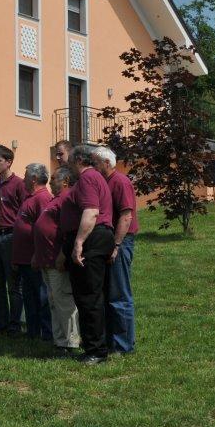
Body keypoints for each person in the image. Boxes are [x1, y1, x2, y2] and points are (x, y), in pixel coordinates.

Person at [58, 144, 114, 364]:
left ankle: (97, 351)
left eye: (70, 161)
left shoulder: (88, 178)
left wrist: (79, 242)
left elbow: (91, 212)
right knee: (87, 295)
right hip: (94, 238)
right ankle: (94, 346)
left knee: (89, 296)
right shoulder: (92, 178)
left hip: (92, 238)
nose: (67, 165)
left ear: (79, 160)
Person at [92, 146, 139, 355]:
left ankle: (123, 345)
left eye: (95, 163)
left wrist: (117, 245)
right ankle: (112, 341)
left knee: (119, 294)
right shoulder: (104, 182)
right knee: (109, 293)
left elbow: (126, 216)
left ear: (107, 163)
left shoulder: (120, 182)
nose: (93, 167)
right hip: (109, 241)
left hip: (120, 241)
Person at [32, 167, 80, 355]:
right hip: (46, 259)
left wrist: (63, 254)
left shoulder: (67, 199)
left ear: (66, 181)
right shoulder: (54, 200)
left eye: (53, 179)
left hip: (57, 260)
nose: (50, 182)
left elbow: (68, 231)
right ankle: (59, 340)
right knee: (53, 300)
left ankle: (71, 342)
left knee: (63, 301)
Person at [0, 145, 26, 335]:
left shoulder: (19, 184)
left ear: (9, 162)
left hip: (11, 237)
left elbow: (25, 213)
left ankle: (15, 324)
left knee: (14, 284)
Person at [12, 163, 53, 341]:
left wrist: (38, 253)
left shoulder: (42, 198)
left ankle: (45, 333)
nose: (23, 178)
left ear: (34, 179)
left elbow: (44, 228)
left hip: (34, 258)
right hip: (24, 258)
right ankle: (33, 331)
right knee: (29, 296)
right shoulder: (30, 197)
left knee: (40, 296)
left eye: (26, 175)